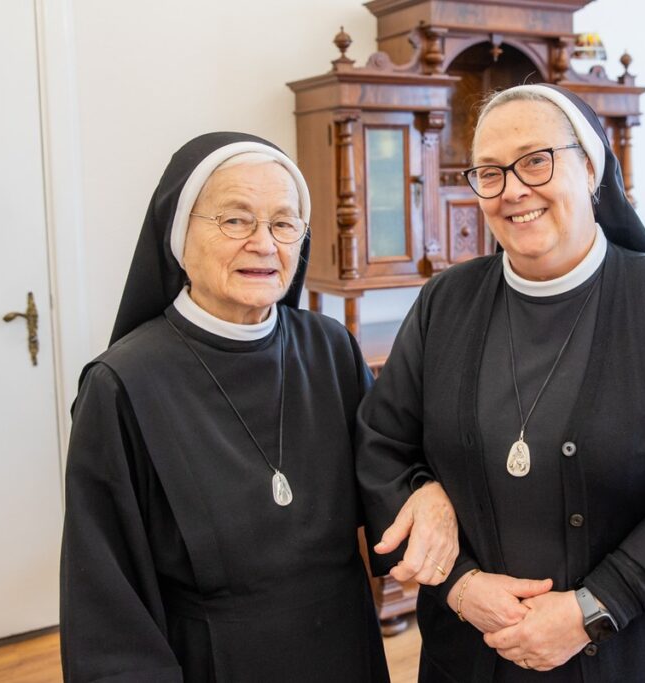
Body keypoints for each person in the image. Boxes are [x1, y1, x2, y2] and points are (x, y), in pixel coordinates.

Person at [356, 85, 645, 682]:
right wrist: (460, 584)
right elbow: (381, 445)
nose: (513, 189)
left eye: (536, 160)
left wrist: (592, 608)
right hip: (470, 650)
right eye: (489, 172)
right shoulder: (446, 301)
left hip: (627, 652)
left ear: (591, 168)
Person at [60, 132, 458, 682]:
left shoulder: (330, 347)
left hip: (346, 649)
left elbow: (384, 472)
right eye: (235, 219)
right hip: (214, 662)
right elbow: (106, 597)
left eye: (284, 222)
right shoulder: (121, 385)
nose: (265, 243)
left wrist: (425, 491)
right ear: (178, 234)